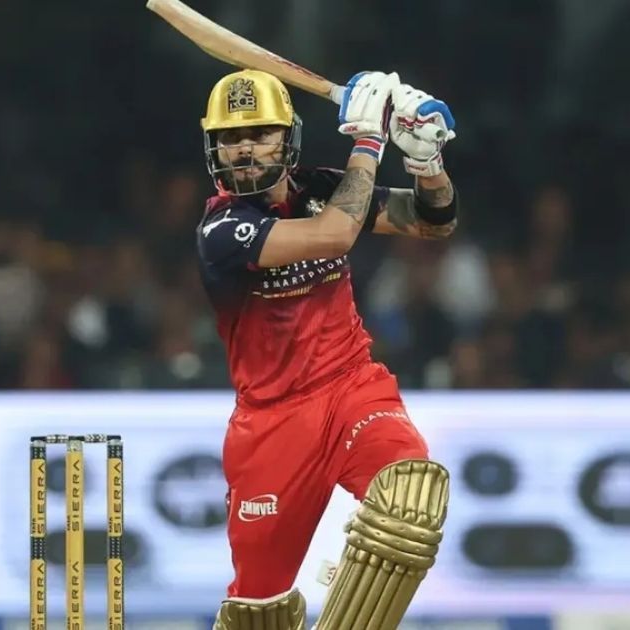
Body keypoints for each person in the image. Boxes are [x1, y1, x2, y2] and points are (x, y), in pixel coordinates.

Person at [195, 68, 460, 629]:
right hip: (271, 423)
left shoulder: (319, 189)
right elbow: (334, 234)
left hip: (351, 389)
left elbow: (433, 222)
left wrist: (426, 162)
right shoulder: (222, 229)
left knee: (409, 499)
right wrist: (370, 140)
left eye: (259, 134)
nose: (244, 149)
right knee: (257, 612)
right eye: (231, 138)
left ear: (287, 137)